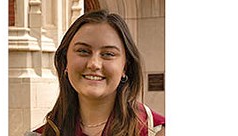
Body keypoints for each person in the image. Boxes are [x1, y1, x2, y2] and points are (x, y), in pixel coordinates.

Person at [33, 10, 165, 136]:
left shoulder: (158, 131)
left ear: (125, 67)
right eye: (83, 51)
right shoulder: (40, 134)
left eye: (108, 54)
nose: (94, 64)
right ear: (65, 61)